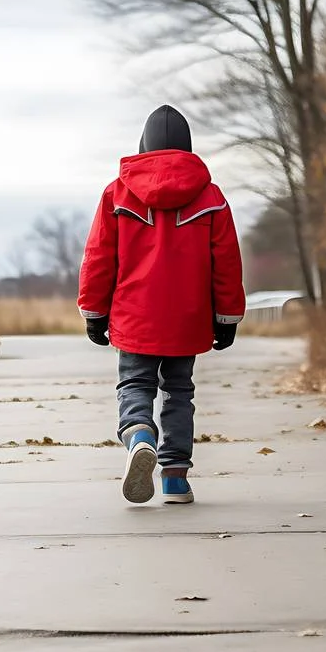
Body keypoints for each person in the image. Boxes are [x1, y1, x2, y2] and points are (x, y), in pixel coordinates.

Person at [77, 105, 246, 504]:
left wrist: (94, 312)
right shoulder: (211, 196)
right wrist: (227, 317)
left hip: (134, 315)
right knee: (178, 392)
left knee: (135, 384)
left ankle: (139, 434)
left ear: (143, 145)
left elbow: (99, 257)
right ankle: (174, 479)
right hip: (188, 317)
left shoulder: (117, 193)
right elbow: (226, 260)